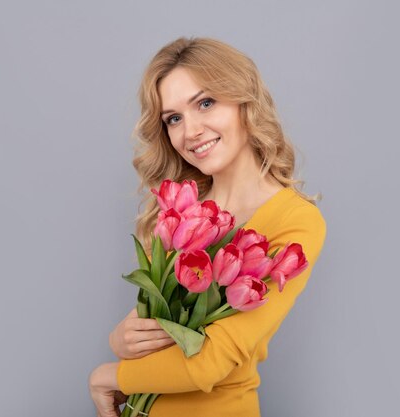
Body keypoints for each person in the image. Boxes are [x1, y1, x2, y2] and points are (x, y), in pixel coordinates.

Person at [89, 37, 326, 417]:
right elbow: (154, 331)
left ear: (244, 101)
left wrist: (108, 376)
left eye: (205, 103)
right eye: (174, 118)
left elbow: (212, 360)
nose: (191, 131)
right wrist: (119, 339)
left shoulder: (294, 221)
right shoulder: (181, 209)